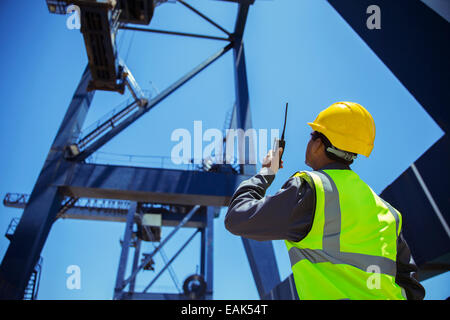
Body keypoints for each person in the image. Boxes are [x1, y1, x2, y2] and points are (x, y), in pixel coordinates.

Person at [225, 101, 425, 300]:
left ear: (319, 144)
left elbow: (237, 217)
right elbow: (412, 286)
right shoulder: (389, 212)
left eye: (312, 136)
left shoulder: (311, 189)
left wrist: (266, 172)